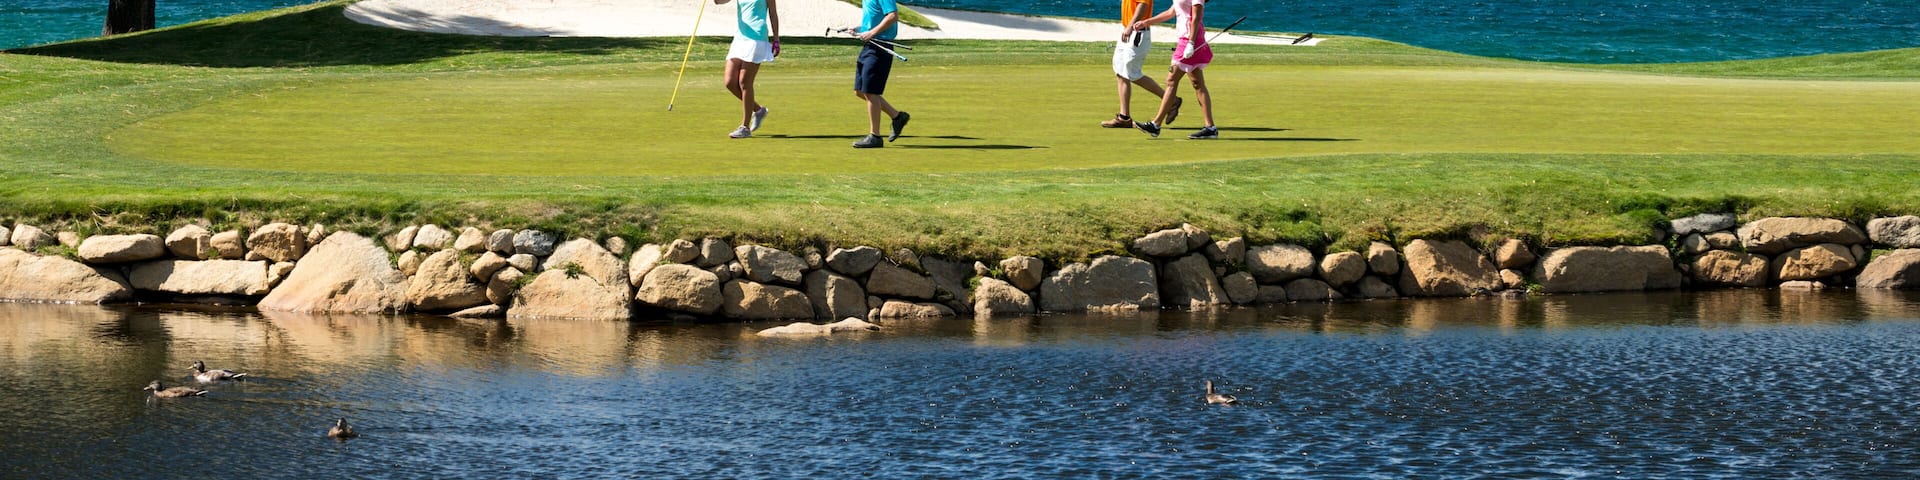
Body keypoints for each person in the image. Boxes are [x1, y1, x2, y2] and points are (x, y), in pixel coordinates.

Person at [1131, 0, 1219, 139]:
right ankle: (1210, 128)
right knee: (1197, 84)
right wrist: (1147, 22)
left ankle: (1156, 124)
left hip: (1190, 40)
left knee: (1171, 80)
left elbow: (1196, 17)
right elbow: (1171, 12)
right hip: (1186, 39)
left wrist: (1190, 43)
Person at [1102, 0, 1180, 129]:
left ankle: (1172, 101)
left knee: (1132, 73)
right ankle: (1124, 117)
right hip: (1128, 29)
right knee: (1120, 72)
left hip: (1137, 32)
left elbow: (1143, 5)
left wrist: (1129, 26)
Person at [851, 0, 910, 148]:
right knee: (859, 91)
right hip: (869, 46)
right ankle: (897, 117)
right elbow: (873, 21)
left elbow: (892, 16)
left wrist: (871, 33)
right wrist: (859, 29)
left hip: (881, 48)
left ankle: (875, 136)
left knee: (871, 91)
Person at [718, 0, 779, 139]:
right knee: (729, 82)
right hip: (740, 38)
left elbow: (773, 14)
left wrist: (776, 39)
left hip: (757, 38)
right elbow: (718, 1)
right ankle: (758, 110)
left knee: (744, 82)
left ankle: (745, 128)